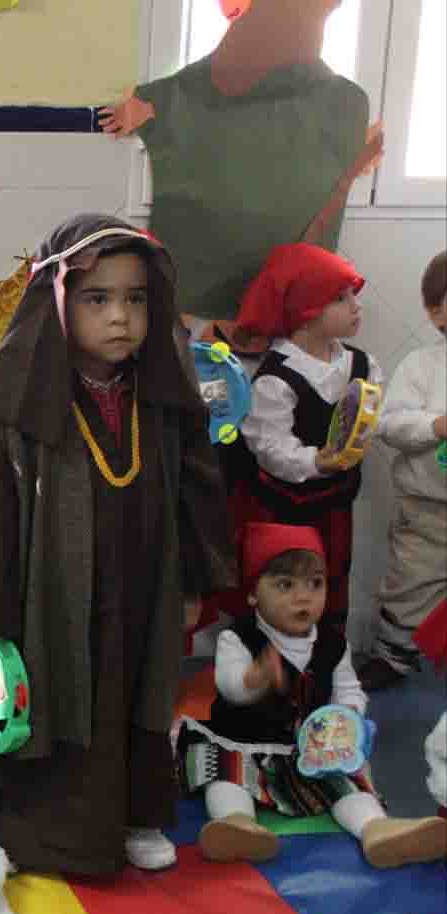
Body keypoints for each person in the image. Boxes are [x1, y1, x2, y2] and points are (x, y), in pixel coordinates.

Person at [0, 214, 237, 876]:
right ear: (57, 302)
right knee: (53, 693)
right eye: (98, 298)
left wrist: (191, 584)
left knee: (138, 689)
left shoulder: (162, 403)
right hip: (51, 594)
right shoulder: (20, 407)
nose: (120, 317)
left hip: (143, 584)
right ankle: (41, 834)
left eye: (136, 299)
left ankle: (135, 815)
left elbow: (195, 495)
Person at [177, 523, 447, 868]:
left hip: (310, 750)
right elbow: (230, 689)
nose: (303, 597)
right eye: (285, 585)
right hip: (244, 741)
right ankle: (236, 823)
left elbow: (348, 689)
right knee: (224, 774)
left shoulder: (333, 644)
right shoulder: (238, 638)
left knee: (348, 778)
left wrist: (348, 716)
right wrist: (253, 678)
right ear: (253, 594)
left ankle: (376, 829)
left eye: (315, 584)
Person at [233, 243, 383, 637]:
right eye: (340, 298)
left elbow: (371, 415)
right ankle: (270, 657)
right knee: (285, 578)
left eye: (352, 295)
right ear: (305, 311)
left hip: (337, 504)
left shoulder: (362, 365)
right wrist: (317, 460)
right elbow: (269, 447)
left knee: (332, 574)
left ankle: (327, 655)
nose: (356, 306)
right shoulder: (276, 378)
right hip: (285, 509)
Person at [357, 250, 447, 690]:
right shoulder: (422, 365)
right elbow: (390, 424)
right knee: (411, 583)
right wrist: (435, 425)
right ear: (435, 312)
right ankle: (394, 654)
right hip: (429, 508)